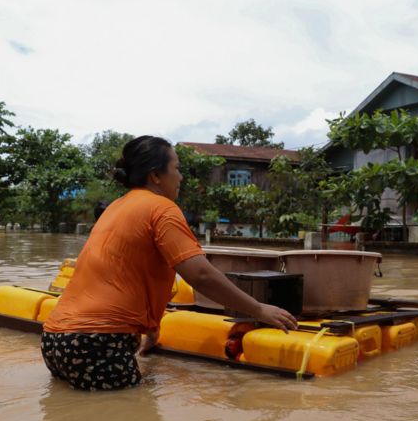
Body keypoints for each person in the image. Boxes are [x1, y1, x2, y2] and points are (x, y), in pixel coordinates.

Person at [41, 136, 297, 391]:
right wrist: (259, 309)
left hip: (55, 340)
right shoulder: (162, 208)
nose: (181, 177)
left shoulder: (116, 207)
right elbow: (200, 275)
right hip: (97, 342)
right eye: (176, 168)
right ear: (155, 176)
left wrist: (151, 330)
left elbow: (123, 272)